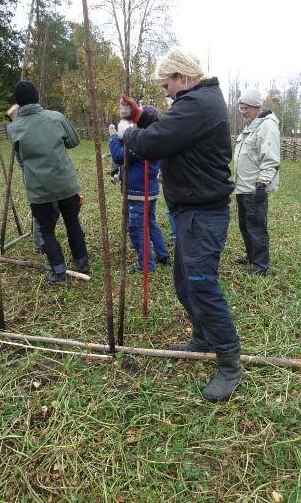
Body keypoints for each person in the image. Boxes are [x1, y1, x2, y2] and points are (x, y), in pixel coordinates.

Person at [118, 48, 242, 402]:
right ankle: (203, 337)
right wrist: (140, 116)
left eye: (166, 83)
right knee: (185, 284)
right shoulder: (197, 103)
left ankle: (230, 363)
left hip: (202, 214)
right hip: (191, 211)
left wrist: (126, 130)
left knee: (202, 286)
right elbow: (166, 129)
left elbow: (153, 142)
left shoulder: (198, 105)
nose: (165, 91)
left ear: (182, 78)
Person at [8, 80, 89, 283]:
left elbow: (21, 158)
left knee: (46, 230)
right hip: (65, 183)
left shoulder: (13, 128)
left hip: (39, 189)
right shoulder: (56, 117)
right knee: (72, 223)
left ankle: (59, 272)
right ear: (37, 97)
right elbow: (74, 141)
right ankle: (82, 263)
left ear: (17, 103)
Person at [108, 105, 169, 272]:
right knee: (151, 222)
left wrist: (113, 137)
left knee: (137, 229)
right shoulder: (155, 136)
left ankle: (146, 265)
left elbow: (119, 157)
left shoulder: (140, 140)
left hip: (138, 192)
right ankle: (162, 255)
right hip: (150, 190)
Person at [234, 89, 280, 276]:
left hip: (254, 188)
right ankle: (252, 255)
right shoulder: (253, 125)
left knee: (256, 227)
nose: (241, 111)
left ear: (255, 107)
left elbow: (270, 158)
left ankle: (261, 267)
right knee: (245, 225)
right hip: (243, 187)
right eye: (240, 108)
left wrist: (262, 184)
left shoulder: (267, 127)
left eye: (245, 108)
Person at [7, 103, 60, 255]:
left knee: (51, 208)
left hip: (39, 176)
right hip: (35, 177)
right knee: (41, 211)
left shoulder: (20, 130)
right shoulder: (19, 133)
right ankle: (41, 243)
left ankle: (43, 239)